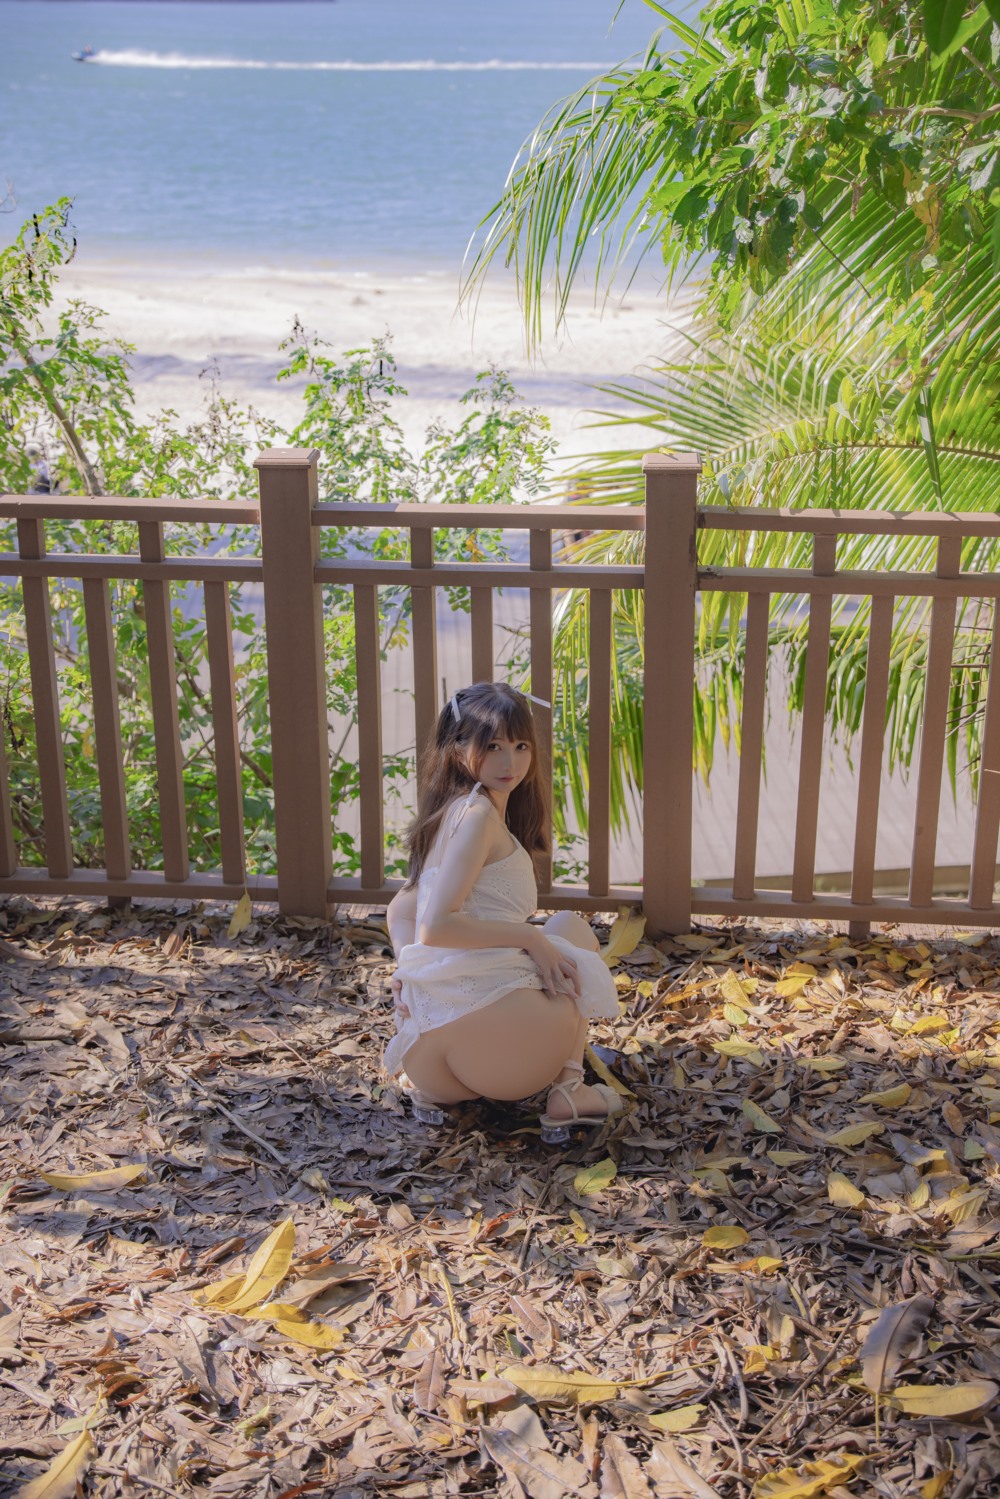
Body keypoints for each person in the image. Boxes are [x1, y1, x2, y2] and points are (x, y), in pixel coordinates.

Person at [384, 681, 624, 1144]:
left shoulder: (450, 812)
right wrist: (529, 937)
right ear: (457, 748)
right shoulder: (477, 817)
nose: (509, 762)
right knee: (568, 929)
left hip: (429, 1062)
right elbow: (435, 925)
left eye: (520, 746)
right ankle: (569, 1090)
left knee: (550, 937)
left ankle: (440, 1096)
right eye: (492, 746)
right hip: (500, 1056)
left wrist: (406, 968)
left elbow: (402, 908)